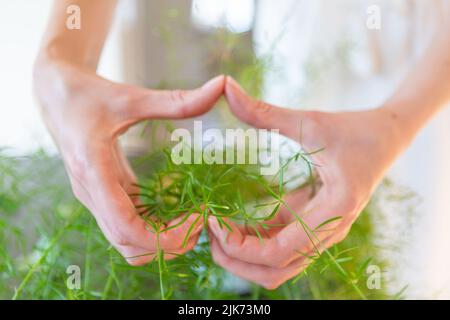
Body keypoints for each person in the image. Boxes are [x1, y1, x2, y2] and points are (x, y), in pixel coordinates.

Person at [34, 0, 450, 289]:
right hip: (297, 44)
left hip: (425, 81)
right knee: (297, 226)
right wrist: (59, 60)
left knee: (403, 261)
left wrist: (396, 124)